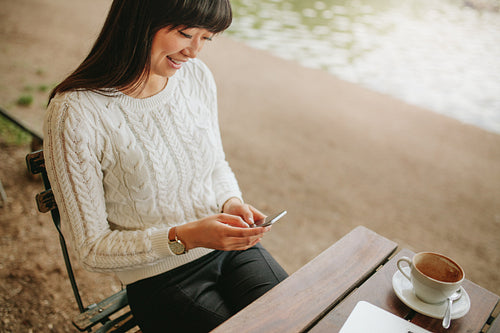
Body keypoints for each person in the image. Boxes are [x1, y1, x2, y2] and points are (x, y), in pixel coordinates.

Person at [43, 0, 288, 332]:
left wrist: (231, 202)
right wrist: (187, 236)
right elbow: (92, 249)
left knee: (296, 317)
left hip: (229, 250)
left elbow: (216, 165)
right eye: (186, 33)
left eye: (207, 38)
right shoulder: (75, 113)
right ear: (140, 19)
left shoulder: (196, 77)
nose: (194, 51)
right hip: (158, 277)